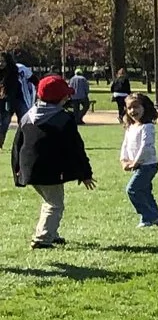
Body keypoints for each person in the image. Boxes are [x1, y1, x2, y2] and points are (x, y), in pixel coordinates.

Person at [14, 74, 96, 248]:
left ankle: (51, 233)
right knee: (55, 204)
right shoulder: (63, 119)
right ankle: (42, 239)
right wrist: (85, 173)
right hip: (50, 171)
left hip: (28, 169)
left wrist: (17, 170)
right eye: (66, 94)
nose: (68, 97)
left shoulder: (27, 116)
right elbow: (75, 149)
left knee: (50, 200)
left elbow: (17, 146)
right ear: (62, 98)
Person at [119, 93, 158, 227]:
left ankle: (150, 216)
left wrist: (136, 162)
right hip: (138, 165)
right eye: (129, 108)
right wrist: (124, 160)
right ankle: (156, 219)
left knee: (132, 189)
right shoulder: (130, 127)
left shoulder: (147, 127)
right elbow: (125, 145)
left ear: (144, 107)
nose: (133, 111)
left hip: (148, 165)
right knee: (145, 192)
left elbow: (145, 146)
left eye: (136, 107)